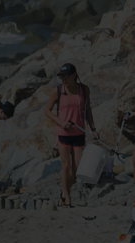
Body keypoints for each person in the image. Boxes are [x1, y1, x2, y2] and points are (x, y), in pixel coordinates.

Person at [43, 63, 89, 207]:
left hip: (79, 132)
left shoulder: (84, 89)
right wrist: (61, 122)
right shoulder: (57, 90)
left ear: (74, 75)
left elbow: (88, 110)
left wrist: (93, 128)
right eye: (61, 76)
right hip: (63, 132)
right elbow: (47, 110)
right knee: (66, 166)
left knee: (77, 169)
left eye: (66, 76)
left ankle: (63, 193)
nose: (64, 79)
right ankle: (68, 199)